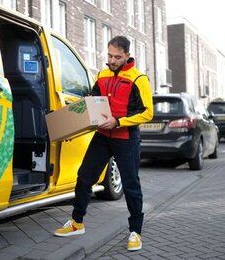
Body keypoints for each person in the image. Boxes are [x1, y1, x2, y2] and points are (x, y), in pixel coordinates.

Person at [54, 36, 153, 251]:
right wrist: (75, 125)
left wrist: (118, 121)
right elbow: (93, 103)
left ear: (127, 55)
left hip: (126, 138)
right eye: (109, 55)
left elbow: (147, 113)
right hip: (102, 136)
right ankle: (77, 222)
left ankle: (135, 231)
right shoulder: (101, 75)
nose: (112, 60)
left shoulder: (139, 79)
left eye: (117, 57)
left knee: (131, 185)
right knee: (84, 176)